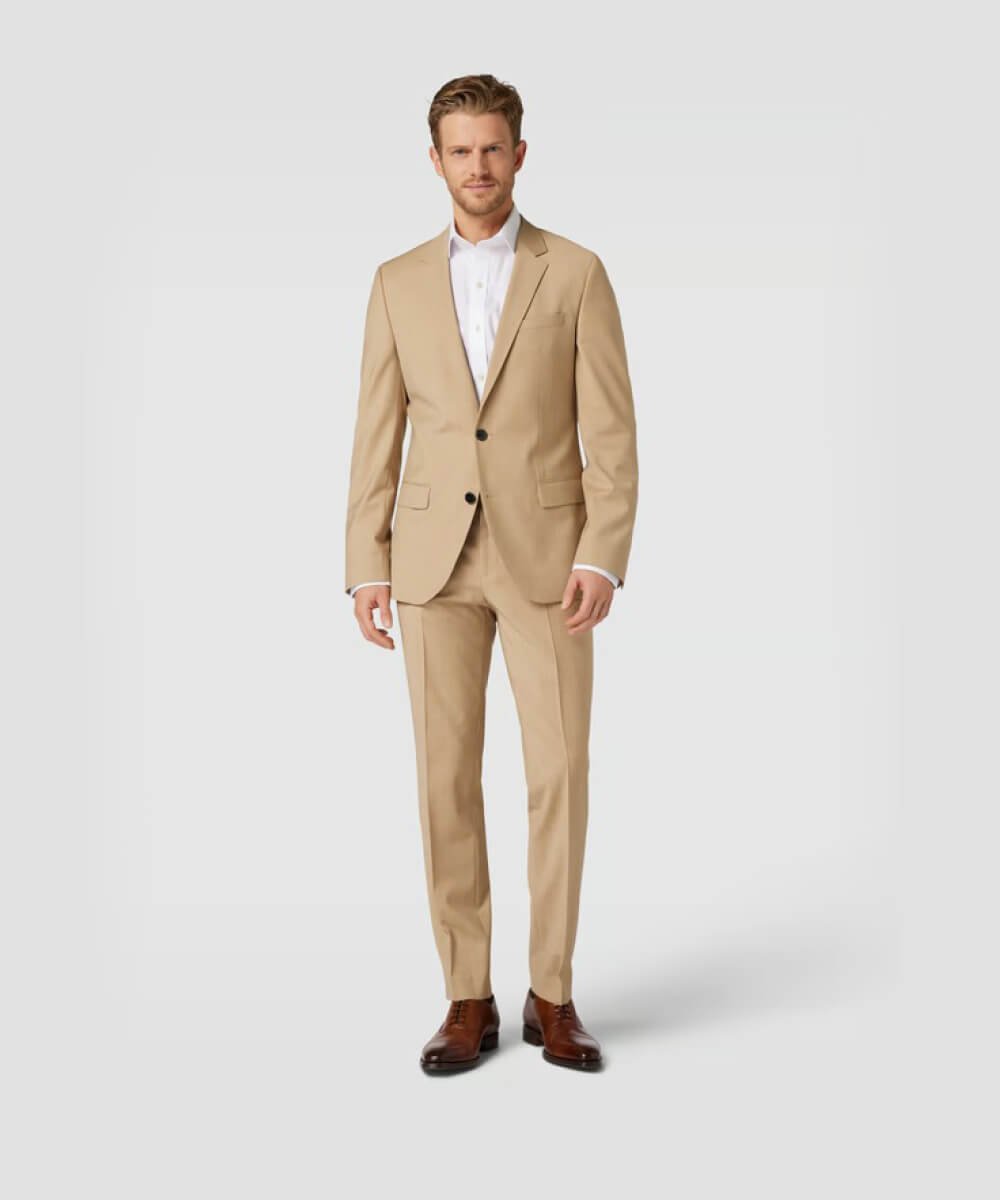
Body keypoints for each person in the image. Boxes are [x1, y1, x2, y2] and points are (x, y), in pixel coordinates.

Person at [344, 74, 639, 1073]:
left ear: (520, 153)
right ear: (435, 161)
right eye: (460, 151)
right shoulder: (394, 281)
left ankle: (552, 994)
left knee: (559, 776)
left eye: (492, 148)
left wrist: (602, 553)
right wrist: (365, 563)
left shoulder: (577, 272)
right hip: (430, 564)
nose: (477, 166)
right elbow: (375, 432)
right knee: (444, 780)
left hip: (550, 563)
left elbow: (611, 432)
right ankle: (465, 996)